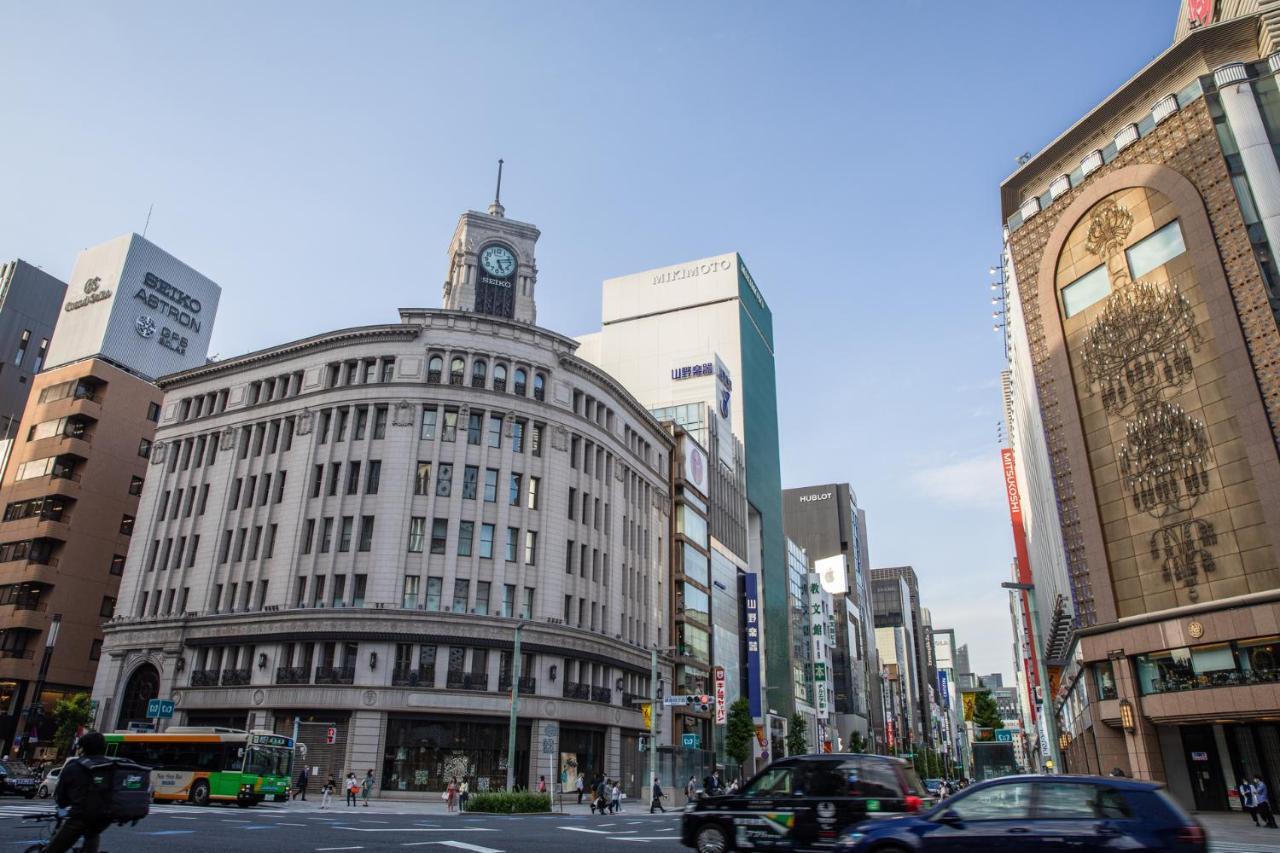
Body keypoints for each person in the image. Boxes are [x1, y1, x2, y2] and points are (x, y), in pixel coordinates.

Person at [46, 731, 111, 853]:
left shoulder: (75, 766)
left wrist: (62, 809)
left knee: (53, 850)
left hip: (81, 815)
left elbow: (61, 797)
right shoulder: (110, 766)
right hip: (105, 817)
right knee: (92, 835)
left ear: (83, 748)